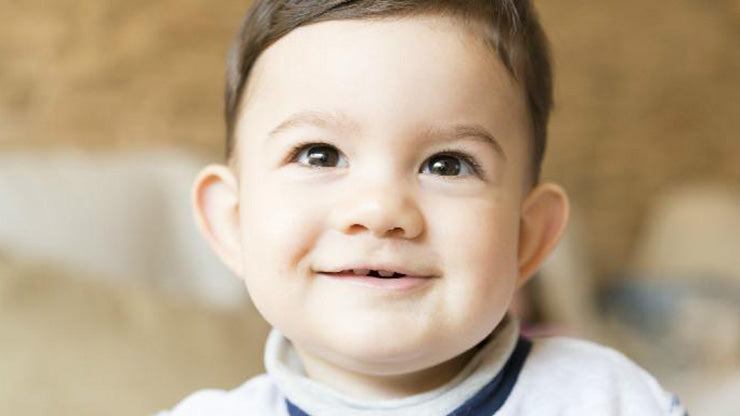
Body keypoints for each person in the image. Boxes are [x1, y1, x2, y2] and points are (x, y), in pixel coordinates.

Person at [160, 1, 686, 414]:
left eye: (447, 165)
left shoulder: (607, 401)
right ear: (233, 223)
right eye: (319, 155)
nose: (381, 209)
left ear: (527, 238)